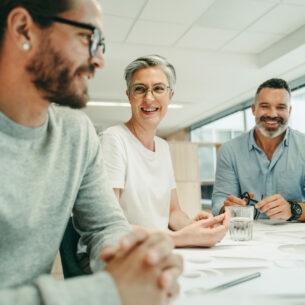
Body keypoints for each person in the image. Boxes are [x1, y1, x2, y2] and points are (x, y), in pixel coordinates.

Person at [0, 1, 183, 305]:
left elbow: (105, 225)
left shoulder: (76, 133)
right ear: (23, 28)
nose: (99, 60)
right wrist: (107, 291)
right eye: (89, 38)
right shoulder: (112, 139)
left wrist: (139, 264)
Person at [100, 55, 229, 248]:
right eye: (140, 89)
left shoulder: (162, 147)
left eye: (158, 88)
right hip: (122, 255)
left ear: (170, 95)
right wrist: (183, 238)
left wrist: (194, 227)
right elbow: (110, 224)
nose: (149, 97)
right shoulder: (113, 139)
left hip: (158, 249)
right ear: (129, 95)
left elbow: (173, 212)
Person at [212, 78, 305, 222]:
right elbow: (220, 202)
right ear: (253, 109)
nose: (273, 114)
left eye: (280, 107)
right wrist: (228, 208)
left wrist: (292, 209)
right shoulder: (230, 150)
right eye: (265, 106)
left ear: (289, 111)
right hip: (246, 237)